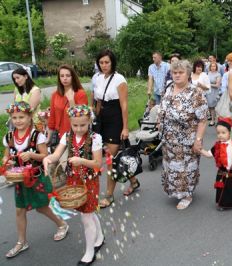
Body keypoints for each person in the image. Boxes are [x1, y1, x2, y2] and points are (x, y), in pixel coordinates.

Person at [2, 102, 68, 258]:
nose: (18, 121)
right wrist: (8, 160)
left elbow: (45, 155)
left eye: (21, 117)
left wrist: (32, 155)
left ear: (29, 117)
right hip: (20, 179)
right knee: (20, 210)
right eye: (14, 118)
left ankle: (62, 224)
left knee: (41, 207)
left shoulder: (37, 135)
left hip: (36, 177)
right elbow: (6, 155)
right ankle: (21, 242)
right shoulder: (10, 137)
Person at [43, 105, 104, 265]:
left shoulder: (95, 138)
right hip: (74, 180)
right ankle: (100, 237)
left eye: (82, 125)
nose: (78, 129)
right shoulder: (66, 136)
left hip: (89, 180)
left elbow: (97, 163)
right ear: (70, 122)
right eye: (75, 125)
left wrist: (82, 161)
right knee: (88, 212)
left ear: (90, 121)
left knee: (86, 217)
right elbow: (56, 155)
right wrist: (47, 159)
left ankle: (90, 251)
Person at [158, 60, 208, 210]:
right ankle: (175, 191)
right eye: (174, 72)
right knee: (172, 168)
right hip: (168, 140)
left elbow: (203, 119)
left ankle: (187, 194)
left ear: (188, 74)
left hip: (187, 141)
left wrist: (198, 140)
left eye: (181, 72)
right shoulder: (168, 88)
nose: (177, 75)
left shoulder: (196, 93)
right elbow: (162, 108)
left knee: (186, 169)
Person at [93, 50, 139, 208]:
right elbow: (97, 101)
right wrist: (94, 119)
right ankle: (134, 181)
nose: (104, 65)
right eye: (101, 62)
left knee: (110, 160)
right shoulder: (98, 78)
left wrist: (125, 127)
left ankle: (109, 195)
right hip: (101, 120)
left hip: (115, 119)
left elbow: (124, 105)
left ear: (112, 62)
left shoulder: (120, 79)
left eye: (107, 62)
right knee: (114, 157)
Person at [200, 117, 232, 210]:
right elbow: (208, 154)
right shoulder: (217, 145)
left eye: (223, 132)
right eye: (218, 133)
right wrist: (200, 150)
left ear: (230, 132)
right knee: (224, 188)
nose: (220, 135)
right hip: (222, 172)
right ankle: (223, 203)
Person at [47, 65, 88, 145]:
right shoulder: (55, 95)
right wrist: (48, 138)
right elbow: (52, 118)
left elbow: (81, 117)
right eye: (62, 76)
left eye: (68, 75)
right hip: (60, 135)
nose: (65, 78)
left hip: (75, 134)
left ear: (73, 77)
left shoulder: (80, 94)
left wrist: (71, 100)